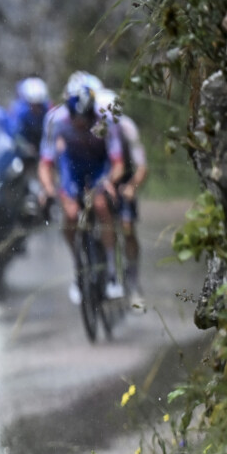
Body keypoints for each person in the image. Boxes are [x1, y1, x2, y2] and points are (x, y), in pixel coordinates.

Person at [37, 73, 126, 302]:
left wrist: (110, 182)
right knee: (70, 214)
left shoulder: (106, 118)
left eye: (85, 119)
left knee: (101, 205)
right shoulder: (55, 119)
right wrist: (48, 188)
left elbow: (117, 163)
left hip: (99, 165)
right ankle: (78, 268)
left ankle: (112, 272)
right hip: (72, 166)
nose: (81, 124)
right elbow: (46, 163)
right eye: (76, 119)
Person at [96, 89, 150, 306]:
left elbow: (142, 166)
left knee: (127, 228)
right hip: (99, 178)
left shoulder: (127, 128)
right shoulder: (91, 126)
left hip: (123, 180)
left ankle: (133, 280)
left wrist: (132, 187)